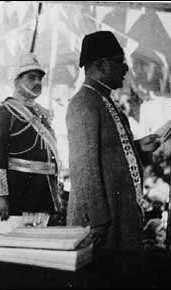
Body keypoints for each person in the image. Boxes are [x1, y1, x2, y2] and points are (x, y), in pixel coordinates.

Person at [66, 31, 161, 251]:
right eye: (119, 62)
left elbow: (109, 155)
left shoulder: (104, 100)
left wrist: (138, 148)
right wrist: (97, 220)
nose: (125, 68)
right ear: (100, 65)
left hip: (117, 214)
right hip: (102, 222)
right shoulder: (83, 103)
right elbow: (84, 167)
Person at [0, 53, 64, 230]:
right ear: (17, 80)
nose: (37, 82)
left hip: (43, 197)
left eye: (39, 79)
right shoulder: (3, 112)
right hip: (15, 197)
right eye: (31, 77)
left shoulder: (41, 116)